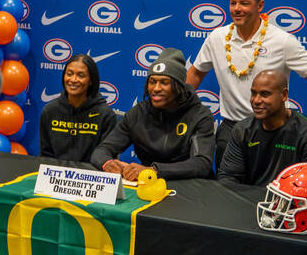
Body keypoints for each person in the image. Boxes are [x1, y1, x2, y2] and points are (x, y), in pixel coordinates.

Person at [186, 0, 307, 166]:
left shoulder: (282, 40)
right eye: (233, 3)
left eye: (244, 3)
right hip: (231, 128)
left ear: (260, 5)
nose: (237, 9)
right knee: (225, 189)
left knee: (268, 189)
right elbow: (196, 73)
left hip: (271, 130)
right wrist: (180, 109)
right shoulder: (217, 38)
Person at [90, 48, 215, 180]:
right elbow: (102, 150)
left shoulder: (200, 116)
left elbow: (201, 164)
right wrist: (108, 164)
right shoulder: (138, 113)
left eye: (164, 82)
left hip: (188, 187)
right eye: (152, 82)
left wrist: (154, 170)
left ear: (179, 86)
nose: (156, 89)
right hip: (147, 186)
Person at [217, 69, 307, 186]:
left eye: (265, 94)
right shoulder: (242, 130)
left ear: (284, 95)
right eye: (253, 93)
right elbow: (228, 178)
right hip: (247, 201)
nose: (256, 100)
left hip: (291, 202)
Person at [39, 54, 117, 163]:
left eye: (81, 75)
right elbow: (46, 155)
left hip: (91, 177)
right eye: (69, 74)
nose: (73, 80)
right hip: (55, 177)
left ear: (91, 81)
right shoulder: (50, 111)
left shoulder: (105, 115)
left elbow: (107, 157)